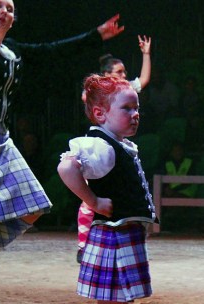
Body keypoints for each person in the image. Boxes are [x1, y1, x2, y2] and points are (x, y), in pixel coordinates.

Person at [0, 0, 123, 304]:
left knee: (34, 206)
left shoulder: (12, 48)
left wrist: (95, 35)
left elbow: (53, 51)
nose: (5, 11)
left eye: (9, 6)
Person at [58, 75, 156, 304]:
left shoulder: (118, 145)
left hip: (123, 235)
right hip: (111, 235)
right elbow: (66, 167)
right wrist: (92, 201)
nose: (135, 114)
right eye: (126, 108)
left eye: (136, 108)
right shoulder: (99, 145)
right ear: (101, 114)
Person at [77, 35, 152, 263]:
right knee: (92, 196)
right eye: (118, 72)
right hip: (101, 148)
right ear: (106, 75)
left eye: (124, 73)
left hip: (117, 148)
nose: (123, 76)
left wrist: (146, 54)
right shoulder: (99, 93)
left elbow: (145, 79)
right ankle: (83, 244)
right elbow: (86, 97)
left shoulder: (126, 90)